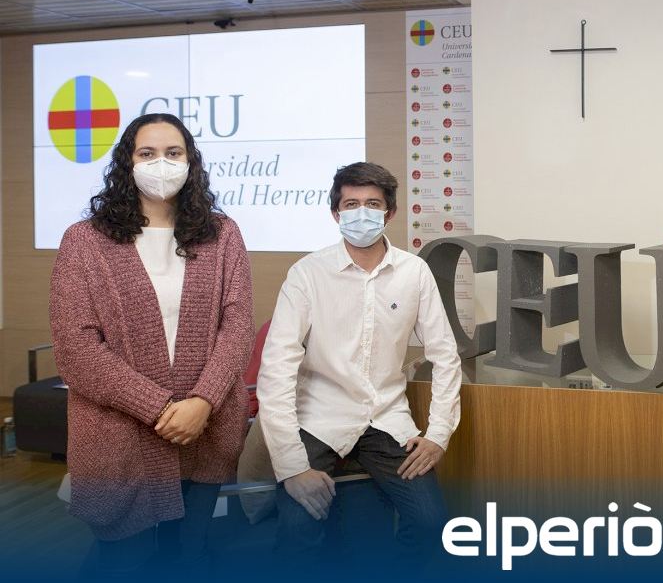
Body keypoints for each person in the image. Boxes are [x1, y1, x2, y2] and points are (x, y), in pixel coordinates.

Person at [49, 112, 254, 575]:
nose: (162, 163)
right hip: (119, 436)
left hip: (205, 429)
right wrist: (160, 409)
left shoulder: (222, 234)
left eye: (173, 153)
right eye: (148, 153)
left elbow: (238, 325)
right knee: (123, 562)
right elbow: (76, 348)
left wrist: (202, 401)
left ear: (190, 162)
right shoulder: (85, 241)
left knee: (190, 557)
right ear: (128, 163)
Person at [256, 162, 462, 569]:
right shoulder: (307, 274)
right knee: (297, 527)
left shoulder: (414, 272)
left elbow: (445, 356)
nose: (362, 212)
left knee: (431, 522)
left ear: (390, 213)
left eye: (373, 204)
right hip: (319, 416)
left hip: (386, 417)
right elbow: (276, 368)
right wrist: (292, 466)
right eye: (351, 204)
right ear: (336, 213)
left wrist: (438, 434)